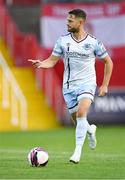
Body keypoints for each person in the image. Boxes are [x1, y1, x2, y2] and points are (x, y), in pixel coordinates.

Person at [28, 9, 113, 164]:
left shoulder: (94, 42)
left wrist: (105, 85)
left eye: (70, 21)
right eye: (67, 20)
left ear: (81, 22)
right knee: (77, 119)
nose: (67, 23)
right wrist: (41, 64)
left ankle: (77, 152)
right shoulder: (62, 40)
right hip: (69, 86)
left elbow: (109, 62)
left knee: (81, 112)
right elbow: (52, 60)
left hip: (87, 83)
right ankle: (90, 130)